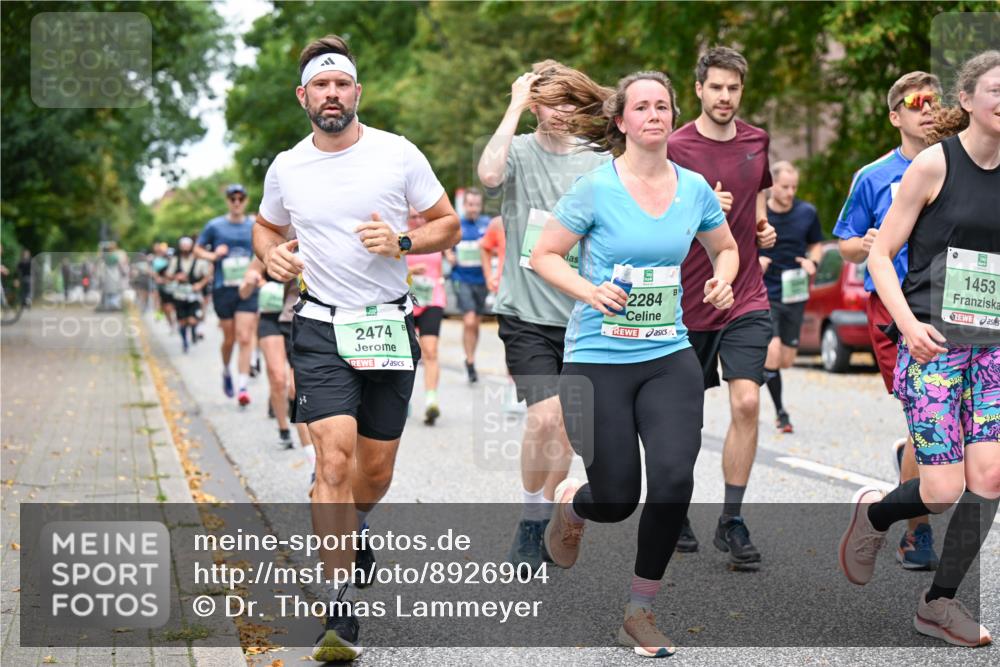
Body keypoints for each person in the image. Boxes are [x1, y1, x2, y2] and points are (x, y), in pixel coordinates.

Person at [252, 34, 460, 662]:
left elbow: (447, 224)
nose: (333, 94)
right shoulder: (287, 166)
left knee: (374, 472)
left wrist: (401, 241)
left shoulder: (398, 155)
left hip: (388, 327)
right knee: (333, 463)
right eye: (322, 85)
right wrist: (271, 255)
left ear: (357, 93)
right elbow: (267, 226)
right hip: (318, 328)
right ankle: (339, 607)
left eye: (342, 84)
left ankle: (354, 524)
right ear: (304, 96)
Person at [533, 71, 739, 657]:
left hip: (668, 353)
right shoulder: (595, 189)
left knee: (674, 479)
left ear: (673, 116)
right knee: (618, 496)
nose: (654, 114)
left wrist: (722, 283)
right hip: (597, 357)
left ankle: (639, 612)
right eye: (641, 107)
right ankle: (574, 505)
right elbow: (545, 255)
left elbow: (725, 248)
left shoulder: (695, 188)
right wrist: (588, 291)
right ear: (621, 121)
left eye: (663, 106)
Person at [838, 50, 999, 648]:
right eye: (996, 90)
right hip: (931, 341)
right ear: (968, 102)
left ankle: (940, 603)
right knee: (940, 491)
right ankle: (876, 513)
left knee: (991, 476)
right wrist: (906, 324)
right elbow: (880, 254)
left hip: (992, 348)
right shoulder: (934, 165)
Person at [478, 60, 612, 571]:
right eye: (547, 102)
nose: (558, 113)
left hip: (582, 313)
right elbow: (488, 174)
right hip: (526, 313)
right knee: (546, 416)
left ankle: (548, 515)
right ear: (533, 105)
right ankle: (531, 518)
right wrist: (514, 103)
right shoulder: (517, 151)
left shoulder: (598, 163)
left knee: (568, 431)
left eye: (567, 102)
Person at [666, 46, 777, 565]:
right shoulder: (673, 146)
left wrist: (761, 227)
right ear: (699, 90)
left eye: (733, 88)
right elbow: (651, 216)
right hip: (684, 301)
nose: (725, 97)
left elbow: (755, 202)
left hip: (744, 293)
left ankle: (732, 520)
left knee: (748, 402)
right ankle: (675, 505)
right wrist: (700, 209)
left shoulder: (758, 141)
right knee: (682, 418)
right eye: (716, 87)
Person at [834, 70, 943, 571]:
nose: (927, 109)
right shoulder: (873, 176)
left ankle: (910, 458)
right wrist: (870, 242)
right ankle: (915, 534)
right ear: (895, 115)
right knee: (925, 414)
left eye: (934, 101)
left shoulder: (963, 166)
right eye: (916, 102)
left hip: (949, 304)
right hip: (893, 308)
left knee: (933, 421)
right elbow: (847, 244)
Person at [758, 161, 823, 433]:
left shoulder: (807, 213)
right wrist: (756, 260)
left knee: (785, 359)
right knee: (772, 352)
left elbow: (816, 244)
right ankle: (781, 413)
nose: (790, 192)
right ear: (772, 185)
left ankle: (759, 372)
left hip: (794, 292)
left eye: (794, 187)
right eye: (785, 187)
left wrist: (813, 263)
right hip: (765, 290)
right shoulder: (759, 215)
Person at [195, 184, 259, 406]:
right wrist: (213, 255)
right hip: (223, 288)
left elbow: (261, 252)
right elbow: (197, 249)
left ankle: (242, 386)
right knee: (229, 338)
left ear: (246, 200)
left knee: (244, 336)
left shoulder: (254, 226)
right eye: (233, 198)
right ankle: (225, 370)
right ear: (228, 201)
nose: (237, 202)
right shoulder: (215, 225)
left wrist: (259, 273)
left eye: (241, 198)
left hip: (248, 288)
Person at [240, 256, 302, 448]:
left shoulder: (312, 239)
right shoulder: (267, 247)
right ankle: (284, 431)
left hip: (299, 317)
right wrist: (251, 280)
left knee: (295, 385)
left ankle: (287, 404)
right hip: (271, 317)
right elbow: (244, 292)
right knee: (277, 377)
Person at [444, 187, 491, 383]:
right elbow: (445, 241)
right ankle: (470, 360)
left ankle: (471, 358)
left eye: (476, 205)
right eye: (470, 204)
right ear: (464, 205)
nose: (473, 208)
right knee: (469, 319)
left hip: (482, 279)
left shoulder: (486, 224)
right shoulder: (457, 224)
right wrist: (448, 254)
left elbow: (495, 246)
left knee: (476, 322)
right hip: (461, 278)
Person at [405, 207, 446, 425]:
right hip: (407, 300)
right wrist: (410, 273)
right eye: (413, 217)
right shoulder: (398, 238)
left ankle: (431, 400)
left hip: (432, 299)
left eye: (421, 216)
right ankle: (402, 398)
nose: (418, 220)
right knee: (407, 355)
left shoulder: (435, 236)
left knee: (430, 350)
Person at [166, 237, 211, 353]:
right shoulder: (175, 260)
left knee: (192, 320)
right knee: (182, 321)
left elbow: (207, 275)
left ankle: (193, 331)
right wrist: (176, 277)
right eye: (183, 245)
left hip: (194, 294)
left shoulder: (199, 261)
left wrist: (200, 285)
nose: (185, 248)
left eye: (187, 245)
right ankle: (185, 342)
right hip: (179, 294)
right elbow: (168, 274)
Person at [480, 215, 505, 296]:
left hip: (536, 287)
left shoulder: (539, 218)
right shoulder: (498, 223)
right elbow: (485, 248)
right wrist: (489, 276)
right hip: (504, 288)